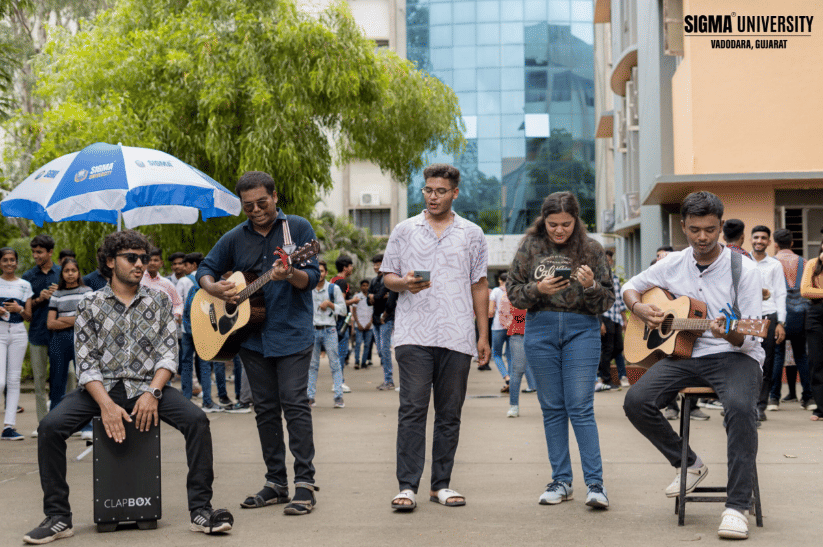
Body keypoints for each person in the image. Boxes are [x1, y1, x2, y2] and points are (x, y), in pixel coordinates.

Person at [23, 230, 234, 544]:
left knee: (197, 421)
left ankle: (201, 510)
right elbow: (86, 363)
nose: (140, 264)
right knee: (50, 427)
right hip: (100, 388)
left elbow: (168, 354)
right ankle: (58, 517)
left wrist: (153, 393)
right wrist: (106, 405)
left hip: (147, 387)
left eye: (143, 258)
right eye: (131, 257)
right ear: (110, 261)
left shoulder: (160, 300)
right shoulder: (89, 303)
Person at [622, 191, 764, 540]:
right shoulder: (672, 263)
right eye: (695, 229)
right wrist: (639, 308)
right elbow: (631, 287)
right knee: (636, 401)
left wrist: (730, 332)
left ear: (721, 227)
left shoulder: (743, 270)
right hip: (686, 355)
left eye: (710, 230)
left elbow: (750, 338)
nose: (703, 237)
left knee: (741, 409)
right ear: (683, 226)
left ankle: (736, 507)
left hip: (735, 356)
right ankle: (688, 464)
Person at [197, 170, 321, 515]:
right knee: (265, 410)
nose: (256, 210)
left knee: (294, 404)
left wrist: (290, 272)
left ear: (275, 196)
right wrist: (212, 288)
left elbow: (311, 278)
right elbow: (205, 268)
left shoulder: (298, 229)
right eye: (248, 205)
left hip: (292, 334)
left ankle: (305, 483)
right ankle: (276, 483)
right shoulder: (235, 237)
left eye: (262, 202)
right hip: (251, 338)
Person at [383, 163, 490, 511]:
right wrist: (404, 283)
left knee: (449, 413)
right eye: (428, 190)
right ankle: (407, 486)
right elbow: (388, 276)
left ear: (454, 193)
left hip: (457, 334)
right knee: (412, 409)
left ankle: (440, 485)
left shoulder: (472, 233)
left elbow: (479, 284)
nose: (433, 196)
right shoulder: (404, 230)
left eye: (441, 191)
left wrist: (483, 335)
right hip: (413, 332)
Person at [507, 191, 614, 510]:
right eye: (552, 224)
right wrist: (537, 289)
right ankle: (561, 481)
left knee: (580, 406)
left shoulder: (591, 248)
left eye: (566, 224)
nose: (559, 230)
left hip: (582, 329)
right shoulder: (530, 246)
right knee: (552, 407)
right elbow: (513, 293)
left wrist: (592, 285)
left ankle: (595, 484)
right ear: (544, 220)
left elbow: (607, 299)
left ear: (576, 220)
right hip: (540, 328)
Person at [769, 229, 814, 410]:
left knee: (778, 355)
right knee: (801, 355)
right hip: (800, 314)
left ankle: (773, 398)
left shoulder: (772, 262)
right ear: (792, 243)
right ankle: (808, 398)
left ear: (775, 244)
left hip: (779, 314)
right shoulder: (804, 262)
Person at [22, 234, 61, 435]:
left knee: (67, 376)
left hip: (60, 334)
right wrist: (40, 298)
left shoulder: (62, 273)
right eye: (34, 252)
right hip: (37, 334)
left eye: (39, 252)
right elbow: (24, 311)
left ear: (50, 252)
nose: (36, 255)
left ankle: (62, 420)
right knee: (39, 380)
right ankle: (43, 423)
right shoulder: (28, 277)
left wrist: (59, 293)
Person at [750, 226, 786, 421]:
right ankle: (743, 404)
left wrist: (781, 322)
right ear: (750, 239)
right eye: (756, 237)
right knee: (744, 360)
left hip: (768, 317)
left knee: (766, 362)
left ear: (769, 242)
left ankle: (760, 406)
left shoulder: (775, 264)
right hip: (747, 318)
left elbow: (780, 293)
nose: (759, 241)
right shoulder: (743, 261)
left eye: (763, 238)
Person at [46, 258, 92, 411]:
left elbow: (88, 320)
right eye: (66, 271)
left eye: (73, 270)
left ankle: (86, 421)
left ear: (78, 273)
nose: (70, 274)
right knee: (57, 381)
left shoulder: (87, 292)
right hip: (59, 340)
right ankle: (54, 417)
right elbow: (50, 323)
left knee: (85, 380)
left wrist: (62, 319)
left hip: (82, 339)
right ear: (62, 274)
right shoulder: (57, 294)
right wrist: (76, 319)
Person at [0, 248, 33, 441]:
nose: (9, 263)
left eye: (12, 260)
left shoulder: (25, 285)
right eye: (5, 260)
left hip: (19, 333)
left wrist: (19, 309)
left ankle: (8, 427)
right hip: (0, 332)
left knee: (13, 380)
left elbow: (28, 316)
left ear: (17, 262)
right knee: (1, 381)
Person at [307, 261, 346, 408]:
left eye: (322, 271)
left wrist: (330, 304)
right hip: (313, 329)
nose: (320, 274)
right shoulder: (308, 289)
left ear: (326, 273)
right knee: (312, 365)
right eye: (317, 271)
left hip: (330, 329)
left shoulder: (333, 288)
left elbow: (343, 310)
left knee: (335, 363)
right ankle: (310, 397)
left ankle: (338, 397)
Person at [597, 249, 629, 391]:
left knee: (618, 348)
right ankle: (606, 378)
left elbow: (620, 301)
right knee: (608, 349)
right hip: (606, 317)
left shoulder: (615, 278)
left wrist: (624, 320)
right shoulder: (598, 279)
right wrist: (600, 322)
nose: (608, 263)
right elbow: (596, 302)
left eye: (610, 260)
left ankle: (600, 371)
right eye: (605, 260)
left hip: (616, 318)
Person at [800, 241, 823, 421]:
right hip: (816, 315)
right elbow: (805, 290)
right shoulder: (813, 264)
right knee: (816, 362)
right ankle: (820, 409)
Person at [369, 253, 398, 391]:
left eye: (379, 264)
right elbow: (370, 299)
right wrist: (376, 297)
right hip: (375, 319)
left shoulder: (389, 279)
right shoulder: (374, 281)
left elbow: (387, 299)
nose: (376, 267)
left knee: (385, 349)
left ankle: (389, 380)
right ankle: (387, 378)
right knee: (380, 351)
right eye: (375, 264)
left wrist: (377, 297)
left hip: (386, 318)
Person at [331, 254, 357, 391]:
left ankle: (337, 381)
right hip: (341, 321)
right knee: (341, 351)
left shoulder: (333, 280)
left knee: (338, 352)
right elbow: (341, 303)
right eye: (350, 265)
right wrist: (354, 301)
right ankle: (338, 382)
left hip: (334, 320)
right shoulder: (342, 282)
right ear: (345, 267)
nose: (352, 268)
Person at [489, 272, 512, 392]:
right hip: (512, 326)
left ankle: (507, 378)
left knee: (497, 354)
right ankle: (513, 381)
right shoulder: (513, 290)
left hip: (498, 326)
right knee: (510, 355)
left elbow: (490, 311)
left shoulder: (495, 291)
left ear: (499, 280)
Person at [352, 279, 373, 369]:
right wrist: (358, 323)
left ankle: (364, 362)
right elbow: (354, 311)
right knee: (358, 343)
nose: (365, 287)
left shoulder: (371, 297)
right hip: (359, 325)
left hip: (369, 325)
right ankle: (357, 362)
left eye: (367, 285)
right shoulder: (356, 296)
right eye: (363, 285)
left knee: (367, 345)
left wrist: (370, 323)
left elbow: (374, 311)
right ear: (360, 287)